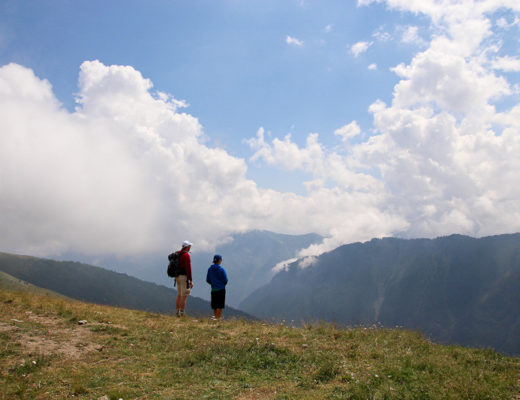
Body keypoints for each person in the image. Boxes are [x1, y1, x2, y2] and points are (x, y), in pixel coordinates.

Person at [206, 254, 228, 320]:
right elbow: (225, 279)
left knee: (215, 305)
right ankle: (218, 318)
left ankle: (216, 317)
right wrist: (222, 284)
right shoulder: (221, 269)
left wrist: (213, 284)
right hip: (221, 289)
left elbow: (208, 279)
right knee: (220, 305)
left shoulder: (210, 269)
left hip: (213, 289)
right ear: (219, 260)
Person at [175, 240, 193, 317]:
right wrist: (190, 280)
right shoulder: (186, 255)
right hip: (183, 277)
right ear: (187, 247)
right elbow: (188, 268)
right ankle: (182, 313)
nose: (190, 248)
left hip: (177, 277)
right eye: (190, 246)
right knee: (184, 295)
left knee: (179, 295)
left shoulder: (177, 253)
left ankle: (177, 312)